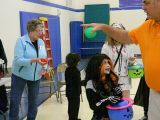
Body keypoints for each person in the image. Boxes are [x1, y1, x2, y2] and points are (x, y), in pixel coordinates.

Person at [82, 1, 160, 119]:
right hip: (154, 92)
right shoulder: (148, 25)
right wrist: (104, 27)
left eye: (147, 3)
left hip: (125, 79)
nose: (142, 7)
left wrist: (132, 61)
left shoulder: (128, 47)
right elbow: (125, 36)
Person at [9, 19, 47, 120]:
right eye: (39, 30)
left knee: (33, 102)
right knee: (15, 101)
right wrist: (34, 60)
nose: (41, 33)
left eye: (41, 30)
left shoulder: (41, 42)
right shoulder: (21, 41)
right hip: (20, 76)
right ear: (31, 30)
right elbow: (18, 60)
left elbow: (44, 58)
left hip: (36, 77)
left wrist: (44, 68)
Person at [101, 23, 135, 98]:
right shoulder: (106, 46)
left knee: (125, 101)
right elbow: (103, 63)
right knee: (113, 102)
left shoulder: (128, 45)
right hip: (111, 78)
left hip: (125, 79)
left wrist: (132, 61)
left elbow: (131, 64)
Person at [85, 54, 122, 120]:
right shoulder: (91, 83)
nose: (108, 65)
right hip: (100, 117)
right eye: (104, 63)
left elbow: (117, 99)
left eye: (108, 62)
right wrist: (107, 100)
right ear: (97, 66)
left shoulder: (110, 79)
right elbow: (93, 106)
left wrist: (119, 93)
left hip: (114, 116)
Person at [65, 53, 81, 120]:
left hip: (69, 92)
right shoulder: (76, 71)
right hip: (75, 93)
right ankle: (74, 118)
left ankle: (72, 118)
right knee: (75, 107)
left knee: (71, 106)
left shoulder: (67, 70)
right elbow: (78, 83)